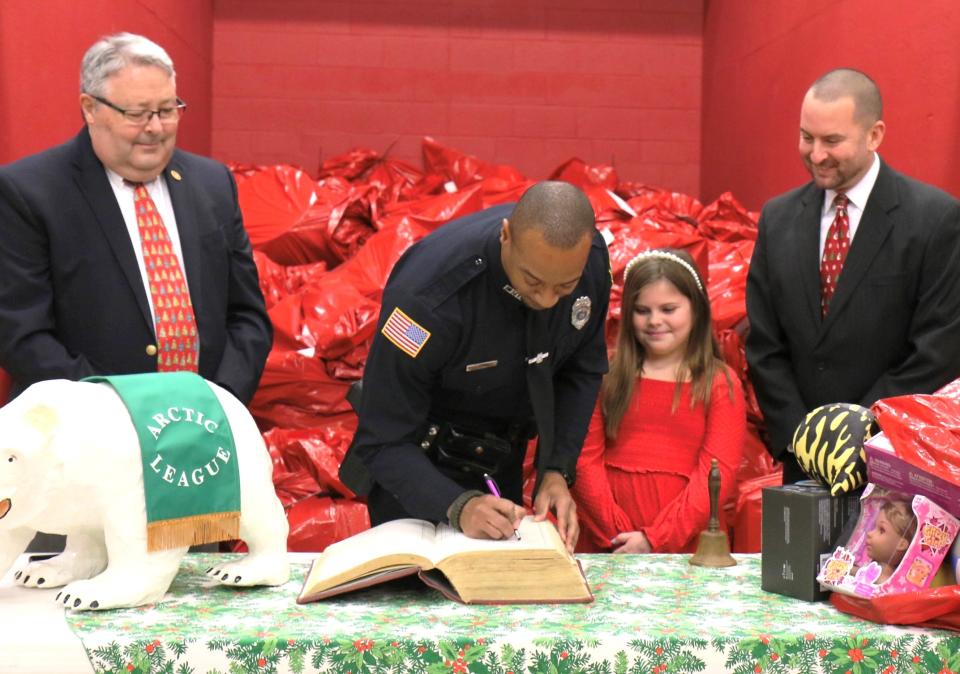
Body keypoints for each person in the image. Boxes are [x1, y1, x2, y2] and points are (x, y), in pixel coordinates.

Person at [339, 181, 612, 552]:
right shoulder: (427, 300)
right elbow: (382, 439)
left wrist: (556, 469)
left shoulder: (590, 260)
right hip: (417, 469)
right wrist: (458, 506)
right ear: (505, 237)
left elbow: (581, 369)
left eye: (564, 287)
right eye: (532, 280)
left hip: (500, 461)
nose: (547, 300)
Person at [0, 33, 271, 404]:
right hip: (86, 433)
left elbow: (248, 315)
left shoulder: (213, 184)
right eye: (138, 113)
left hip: (204, 427)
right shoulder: (29, 193)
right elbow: (22, 335)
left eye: (167, 109)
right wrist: (123, 413)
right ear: (90, 108)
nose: (156, 128)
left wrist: (220, 400)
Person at [746, 68, 960, 483]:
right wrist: (802, 440)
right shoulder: (778, 219)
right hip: (802, 465)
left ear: (875, 135)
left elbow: (937, 350)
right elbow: (765, 345)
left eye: (832, 141)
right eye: (807, 137)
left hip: (892, 463)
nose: (817, 154)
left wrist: (857, 433)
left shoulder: (934, 220)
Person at [572, 249, 746, 553]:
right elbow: (585, 459)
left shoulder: (719, 383)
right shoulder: (606, 375)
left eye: (668, 309)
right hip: (609, 544)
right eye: (642, 310)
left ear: (697, 309)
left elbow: (717, 473)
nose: (655, 321)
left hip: (685, 545)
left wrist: (655, 539)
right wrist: (621, 536)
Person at [864, 499, 916, 584]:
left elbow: (879, 579)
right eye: (874, 527)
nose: (869, 533)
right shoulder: (873, 568)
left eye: (881, 530)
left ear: (901, 544)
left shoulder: (885, 579)